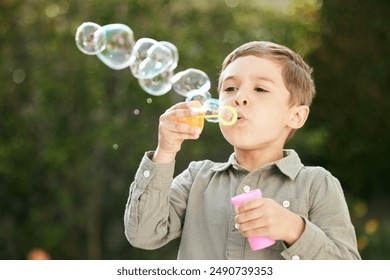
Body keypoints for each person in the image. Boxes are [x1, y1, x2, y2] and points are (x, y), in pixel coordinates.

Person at [124, 41, 361, 260]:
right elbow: (143, 235)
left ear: (296, 116)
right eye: (230, 88)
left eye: (260, 89)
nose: (239, 98)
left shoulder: (317, 183)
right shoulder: (197, 178)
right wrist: (165, 151)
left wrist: (294, 229)